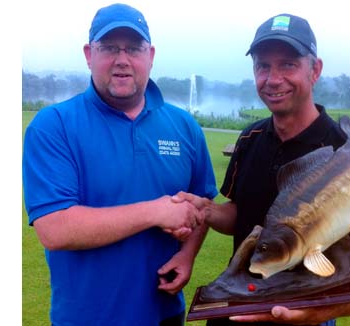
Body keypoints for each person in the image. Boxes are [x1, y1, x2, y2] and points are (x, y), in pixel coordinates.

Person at [177, 13, 350, 325]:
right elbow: (242, 214)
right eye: (263, 66)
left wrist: (322, 312)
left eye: (288, 64)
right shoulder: (249, 138)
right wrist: (206, 211)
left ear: (315, 70)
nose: (273, 79)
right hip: (236, 306)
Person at [22, 3, 218, 325]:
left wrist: (187, 255)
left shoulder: (184, 127)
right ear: (89, 54)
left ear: (151, 55)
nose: (122, 59)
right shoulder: (54, 125)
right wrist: (155, 211)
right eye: (109, 47)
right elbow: (54, 228)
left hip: (165, 313)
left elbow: (203, 203)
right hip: (86, 318)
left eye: (134, 48)